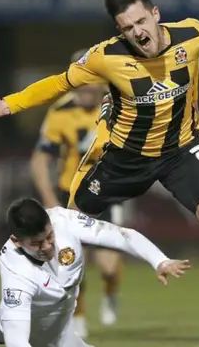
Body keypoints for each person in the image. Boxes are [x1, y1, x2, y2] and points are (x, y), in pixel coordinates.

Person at [0, 0, 199, 345]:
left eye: (139, 21)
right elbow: (60, 82)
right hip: (121, 159)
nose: (136, 32)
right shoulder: (105, 57)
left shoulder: (193, 34)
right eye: (126, 27)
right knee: (69, 231)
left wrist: (194, 107)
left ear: (156, 14)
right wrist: (8, 106)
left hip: (178, 150)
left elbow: (190, 73)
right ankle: (51, 312)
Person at [0, 198, 189, 347]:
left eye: (49, 236)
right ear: (17, 241)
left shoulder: (64, 220)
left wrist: (159, 260)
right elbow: (18, 340)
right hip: (30, 333)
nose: (48, 246)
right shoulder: (14, 267)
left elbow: (121, 235)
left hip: (61, 334)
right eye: (37, 243)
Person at [30, 49, 124, 337]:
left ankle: (110, 292)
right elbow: (39, 161)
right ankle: (78, 317)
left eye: (90, 79)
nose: (84, 86)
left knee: (108, 267)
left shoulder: (119, 105)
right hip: (69, 195)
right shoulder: (59, 112)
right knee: (70, 260)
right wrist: (49, 202)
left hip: (107, 193)